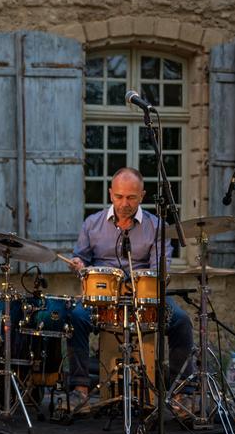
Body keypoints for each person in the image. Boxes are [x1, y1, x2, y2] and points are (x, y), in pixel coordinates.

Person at [67, 167, 194, 410]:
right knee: (76, 318)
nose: (124, 203)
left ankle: (182, 393)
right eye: (119, 196)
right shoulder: (92, 224)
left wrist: (145, 283)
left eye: (131, 198)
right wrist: (78, 264)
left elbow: (159, 271)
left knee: (181, 321)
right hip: (102, 297)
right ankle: (80, 389)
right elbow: (81, 257)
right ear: (110, 193)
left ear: (142, 196)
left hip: (143, 296)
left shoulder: (157, 227)